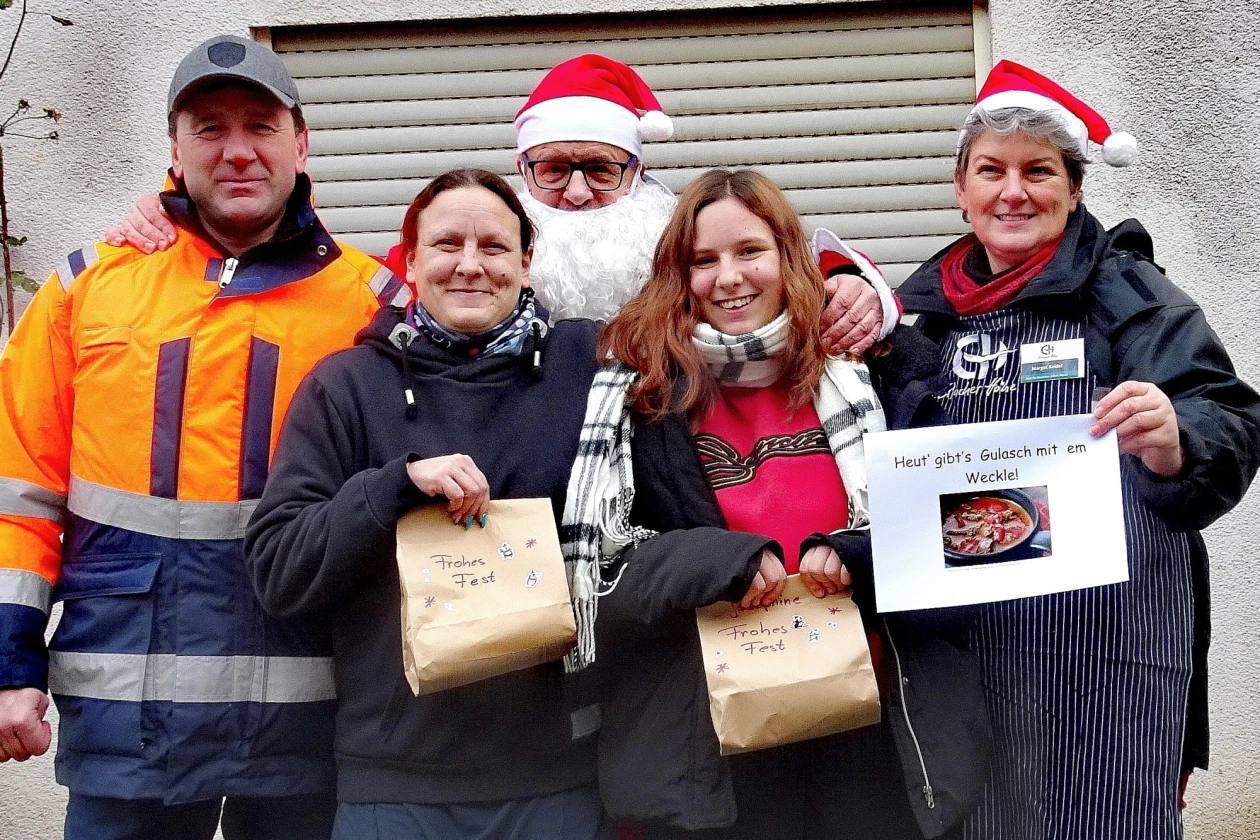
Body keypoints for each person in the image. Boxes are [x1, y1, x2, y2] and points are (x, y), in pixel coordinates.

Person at [0, 34, 407, 839]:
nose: (237, 150)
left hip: (315, 725)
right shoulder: (90, 288)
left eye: (259, 125)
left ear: (301, 142)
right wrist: (10, 666)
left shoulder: (377, 303)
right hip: (130, 728)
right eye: (209, 127)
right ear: (175, 151)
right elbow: (20, 492)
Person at [560, 169, 991, 839]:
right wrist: (716, 561)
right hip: (714, 751)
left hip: (871, 736)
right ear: (680, 274)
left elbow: (958, 519)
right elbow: (601, 582)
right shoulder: (637, 394)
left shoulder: (871, 363)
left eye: (749, 252)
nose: (729, 276)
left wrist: (856, 554)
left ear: (787, 256)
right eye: (704, 260)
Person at [895, 60, 1260, 839]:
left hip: (1109, 653)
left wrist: (1175, 438)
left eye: (1039, 171)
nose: (1013, 191)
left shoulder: (1130, 294)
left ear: (1075, 188)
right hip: (969, 655)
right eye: (991, 170)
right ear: (961, 189)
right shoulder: (920, 315)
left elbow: (1228, 416)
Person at [243, 169, 608, 840]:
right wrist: (392, 488)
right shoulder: (345, 388)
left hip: (557, 779)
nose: (470, 265)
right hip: (393, 782)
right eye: (446, 244)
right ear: (409, 261)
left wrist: (856, 285)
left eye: (494, 247)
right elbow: (278, 568)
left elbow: (721, 307)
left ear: (527, 266)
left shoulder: (590, 367)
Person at [105, 53, 893, 353]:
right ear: (522, 175)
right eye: (552, 172)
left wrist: (851, 283)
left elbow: (773, 261)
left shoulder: (680, 234)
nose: (577, 193)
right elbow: (327, 277)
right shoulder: (475, 249)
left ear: (638, 171)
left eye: (601, 170)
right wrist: (179, 220)